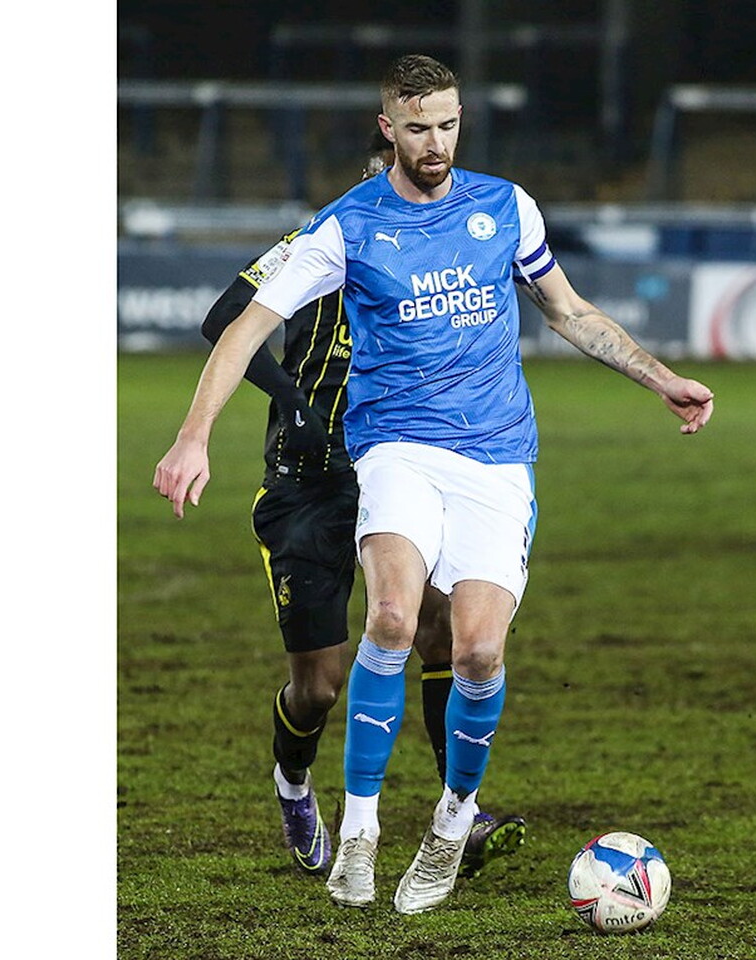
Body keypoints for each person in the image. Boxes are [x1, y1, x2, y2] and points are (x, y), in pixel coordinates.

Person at [154, 54, 714, 915]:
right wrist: (194, 435)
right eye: (418, 128)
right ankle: (357, 831)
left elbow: (567, 310)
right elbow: (238, 323)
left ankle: (454, 824)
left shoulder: (505, 207)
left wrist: (660, 376)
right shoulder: (345, 228)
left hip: (496, 457)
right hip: (384, 453)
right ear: (388, 129)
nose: (436, 143)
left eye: (448, 125)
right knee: (378, 628)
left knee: (475, 650)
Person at [199, 132, 526, 881]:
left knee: (437, 629)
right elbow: (224, 318)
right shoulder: (317, 244)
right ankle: (293, 782)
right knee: (319, 685)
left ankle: (461, 811)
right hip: (312, 484)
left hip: (404, 467)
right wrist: (292, 401)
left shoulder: (439, 254)